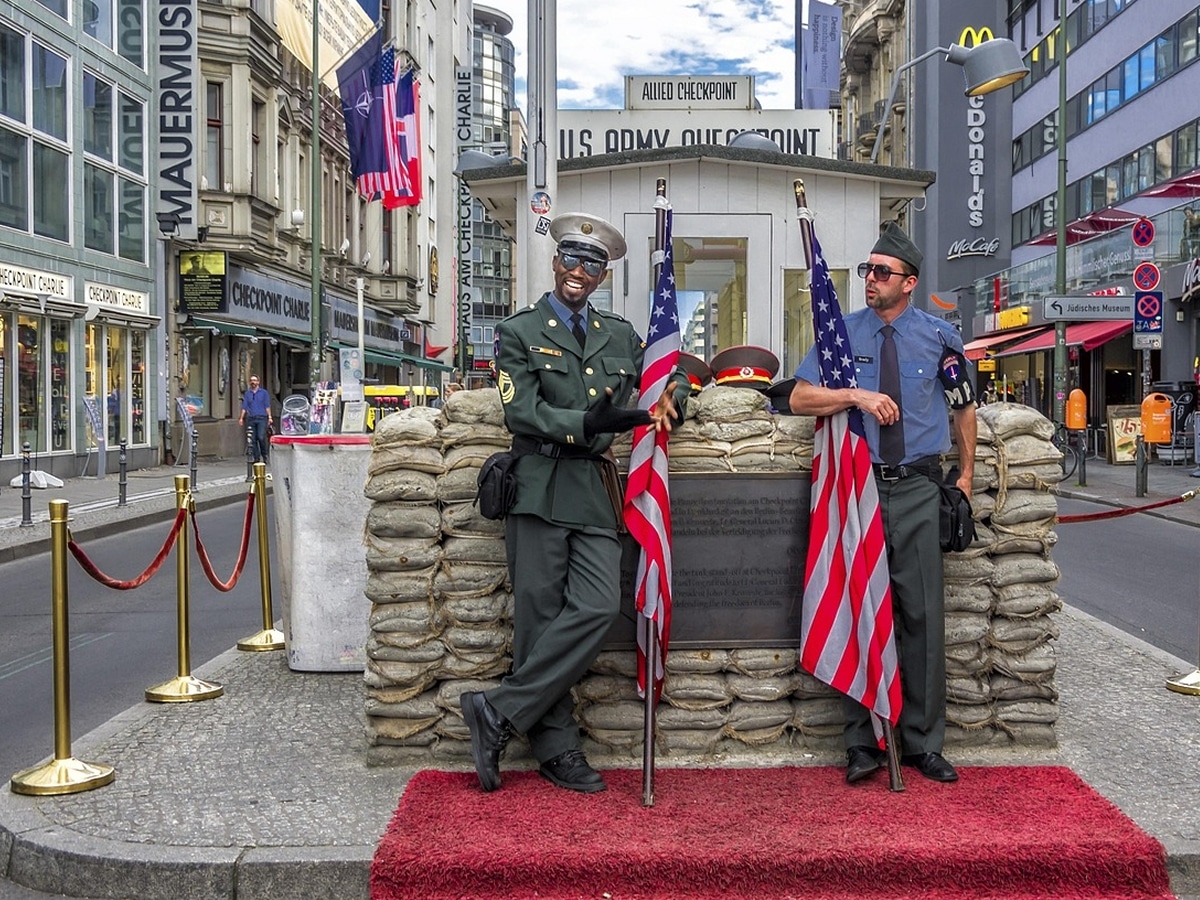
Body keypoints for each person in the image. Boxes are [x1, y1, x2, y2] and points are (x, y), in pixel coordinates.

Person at [459, 212, 691, 794]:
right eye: (570, 259)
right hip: (537, 484)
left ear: (603, 274)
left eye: (592, 264)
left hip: (591, 490)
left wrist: (672, 400)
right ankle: (557, 747)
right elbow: (520, 409)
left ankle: (498, 710)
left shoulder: (617, 333)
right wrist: (584, 421)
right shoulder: (520, 330)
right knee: (538, 624)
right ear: (555, 262)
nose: (578, 272)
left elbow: (669, 373)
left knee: (593, 606)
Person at [789, 221, 977, 785]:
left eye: (881, 272)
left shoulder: (940, 337)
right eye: (867, 270)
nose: (869, 280)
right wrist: (855, 395)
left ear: (910, 282)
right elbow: (799, 398)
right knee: (860, 608)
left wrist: (965, 476)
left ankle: (922, 742)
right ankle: (864, 743)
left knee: (921, 615)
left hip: (920, 487)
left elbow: (963, 406)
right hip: (858, 487)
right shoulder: (841, 334)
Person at [238, 374, 273, 464]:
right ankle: (256, 458)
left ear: (258, 382)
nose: (253, 382)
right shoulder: (247, 394)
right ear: (250, 383)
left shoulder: (264, 393)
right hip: (251, 418)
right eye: (251, 380)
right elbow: (244, 406)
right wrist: (241, 418)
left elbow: (267, 405)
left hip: (262, 418)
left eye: (255, 380)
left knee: (261, 437)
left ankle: (264, 455)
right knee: (252, 439)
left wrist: (269, 417)